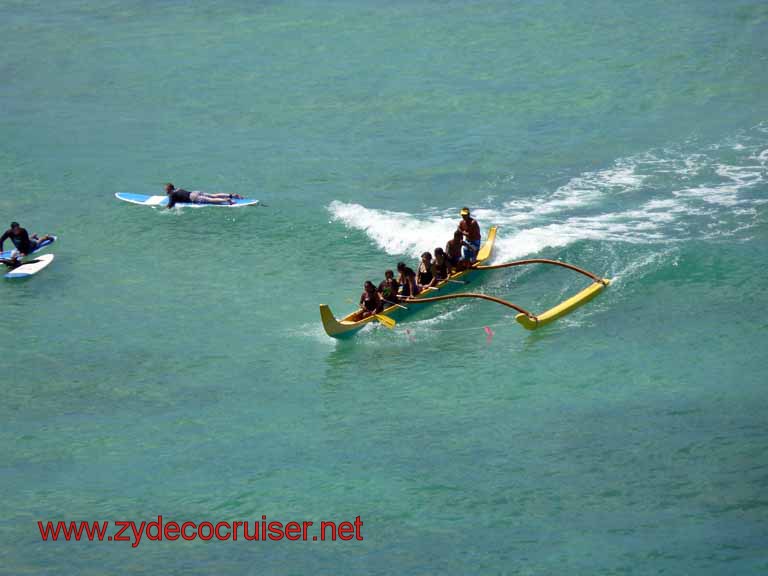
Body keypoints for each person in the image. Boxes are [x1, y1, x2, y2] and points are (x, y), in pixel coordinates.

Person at [165, 183, 243, 209]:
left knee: (211, 200)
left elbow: (170, 204)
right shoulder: (178, 189)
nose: (166, 191)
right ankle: (231, 195)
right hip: (195, 192)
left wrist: (164, 209)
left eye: (166, 190)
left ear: (169, 189)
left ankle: (226, 200)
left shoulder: (172, 194)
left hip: (193, 198)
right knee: (213, 195)